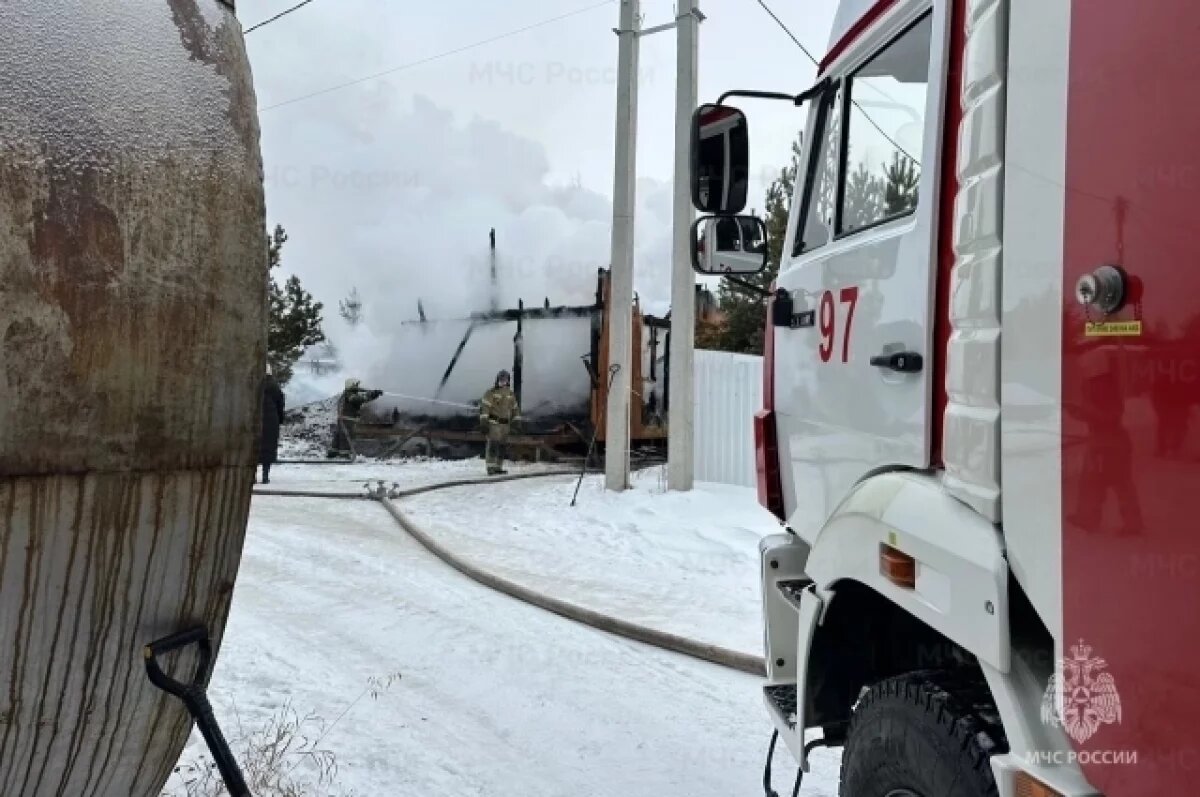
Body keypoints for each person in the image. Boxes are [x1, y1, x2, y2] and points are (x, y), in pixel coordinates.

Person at [327, 377, 383, 457]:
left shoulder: (347, 394)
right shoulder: (350, 394)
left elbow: (363, 398)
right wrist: (372, 394)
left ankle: (333, 452)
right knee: (346, 436)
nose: (358, 386)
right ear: (352, 385)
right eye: (356, 385)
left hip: (344, 419)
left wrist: (374, 395)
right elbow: (358, 399)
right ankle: (344, 454)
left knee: (339, 435)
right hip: (347, 419)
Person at [479, 370, 520, 475]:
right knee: (493, 444)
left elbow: (515, 409)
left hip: (505, 425)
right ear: (497, 379)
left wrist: (516, 422)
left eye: (505, 379)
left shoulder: (511, 394)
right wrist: (484, 422)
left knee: (502, 446)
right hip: (494, 423)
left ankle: (498, 467)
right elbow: (485, 408)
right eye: (501, 379)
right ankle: (490, 467)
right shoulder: (491, 393)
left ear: (508, 381)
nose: (503, 381)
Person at [259, 368, 285, 484]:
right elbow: (281, 404)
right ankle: (265, 476)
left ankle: (252, 475)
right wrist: (280, 420)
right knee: (268, 448)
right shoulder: (275, 386)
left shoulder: (254, 383)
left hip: (255, 419)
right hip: (271, 421)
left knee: (253, 448)